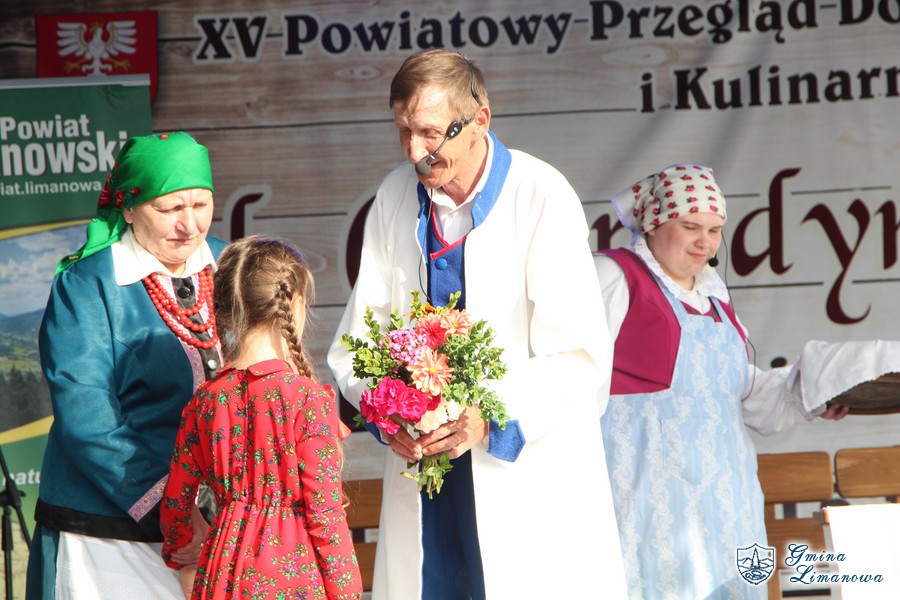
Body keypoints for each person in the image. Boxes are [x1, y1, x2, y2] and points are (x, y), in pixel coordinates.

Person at [327, 49, 627, 600]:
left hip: (523, 472)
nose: (414, 151)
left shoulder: (540, 194)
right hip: (425, 479)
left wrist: (488, 419)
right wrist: (389, 413)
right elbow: (357, 344)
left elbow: (580, 358)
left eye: (430, 132)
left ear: (479, 121)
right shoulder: (394, 195)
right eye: (403, 131)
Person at [595, 163, 849, 599]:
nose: (706, 242)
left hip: (727, 503)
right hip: (651, 504)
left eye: (714, 230)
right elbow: (571, 378)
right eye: (690, 226)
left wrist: (812, 393)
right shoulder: (615, 276)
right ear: (653, 223)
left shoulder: (713, 296)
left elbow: (738, 392)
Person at [26, 131, 225, 599]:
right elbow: (87, 415)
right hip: (108, 534)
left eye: (200, 204)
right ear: (129, 208)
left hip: (219, 524)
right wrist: (171, 508)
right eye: (170, 208)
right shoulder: (88, 284)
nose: (189, 225)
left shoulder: (232, 263)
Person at [160, 235, 362, 599]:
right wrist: (348, 593)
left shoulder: (206, 400)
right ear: (295, 304)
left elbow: (174, 504)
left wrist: (180, 546)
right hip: (292, 580)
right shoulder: (307, 400)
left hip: (221, 575)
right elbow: (326, 516)